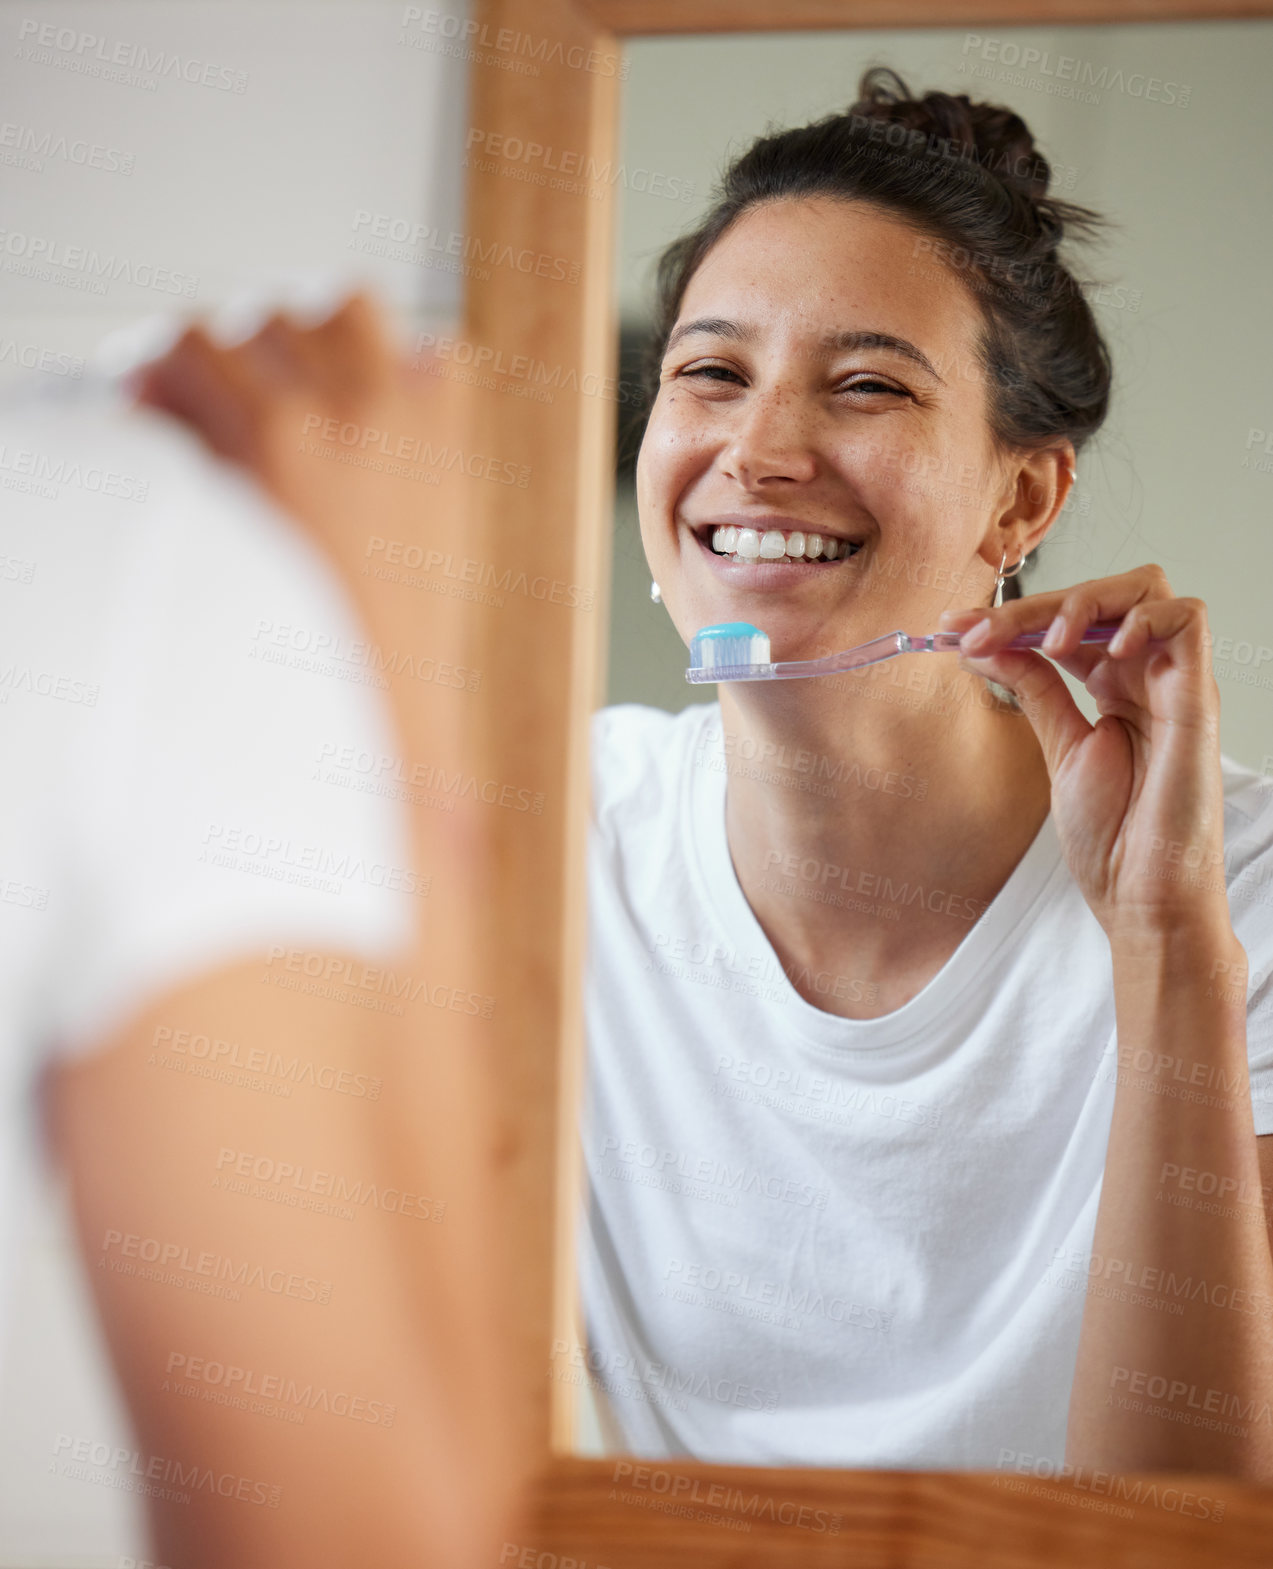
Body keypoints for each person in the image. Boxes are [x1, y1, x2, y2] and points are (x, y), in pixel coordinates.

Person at [135, 69, 1273, 1482]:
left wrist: (1167, 945)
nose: (761, 450)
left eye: (865, 385)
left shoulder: (1236, 893)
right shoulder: (543, 840)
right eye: (711, 374)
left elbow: (1190, 1527)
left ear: (1022, 497)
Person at [0, 360, 522, 1563]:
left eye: (868, 386)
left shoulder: (139, 549)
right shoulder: (138, 554)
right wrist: (382, 653)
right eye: (710, 371)